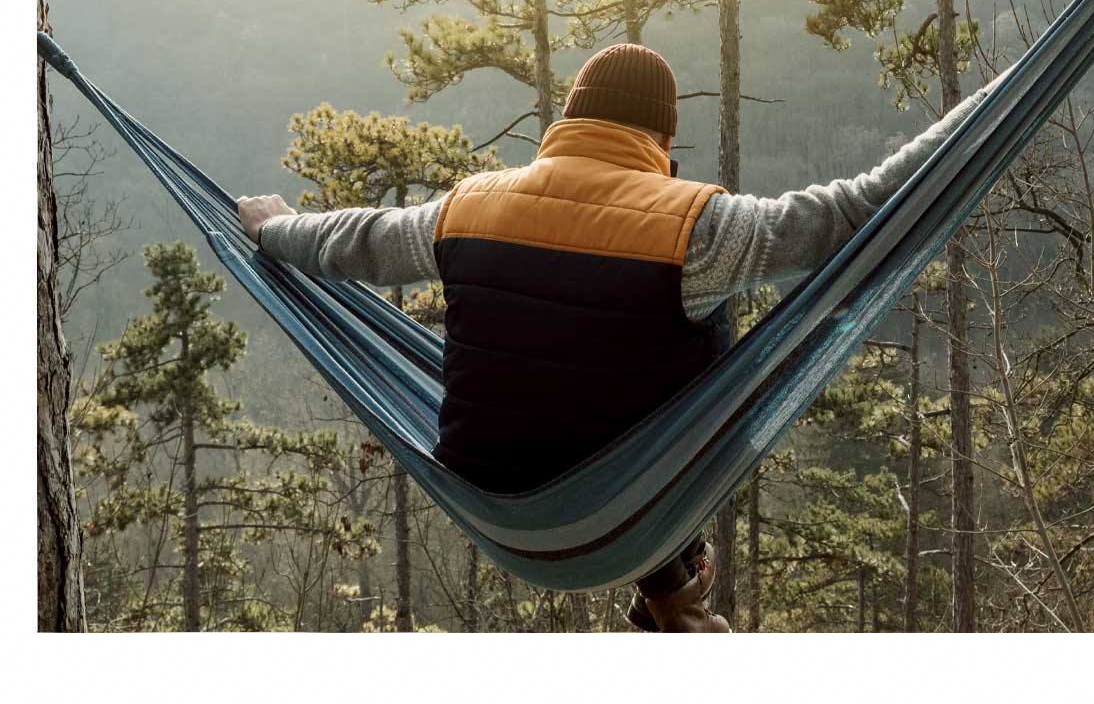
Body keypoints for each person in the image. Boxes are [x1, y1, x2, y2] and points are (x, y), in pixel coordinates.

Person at [239, 43, 1004, 632]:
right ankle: (677, 582)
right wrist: (998, 102)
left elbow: (360, 241)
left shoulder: (466, 207)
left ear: (570, 117)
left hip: (494, 498)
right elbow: (854, 210)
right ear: (660, 134)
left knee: (572, 348)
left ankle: (672, 598)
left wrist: (279, 230)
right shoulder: (700, 228)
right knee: (698, 328)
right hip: (635, 513)